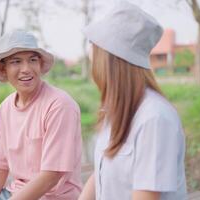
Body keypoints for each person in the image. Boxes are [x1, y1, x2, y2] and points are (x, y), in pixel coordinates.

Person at [79, 2, 187, 200]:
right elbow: (101, 172)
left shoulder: (155, 119)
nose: (91, 55)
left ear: (110, 59)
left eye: (94, 47)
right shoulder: (115, 110)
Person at [0, 29, 82, 200]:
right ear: (3, 68)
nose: (26, 69)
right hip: (16, 193)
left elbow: (51, 176)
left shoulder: (59, 105)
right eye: (16, 62)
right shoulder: (5, 108)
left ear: (40, 64)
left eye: (32, 60)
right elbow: (0, 166)